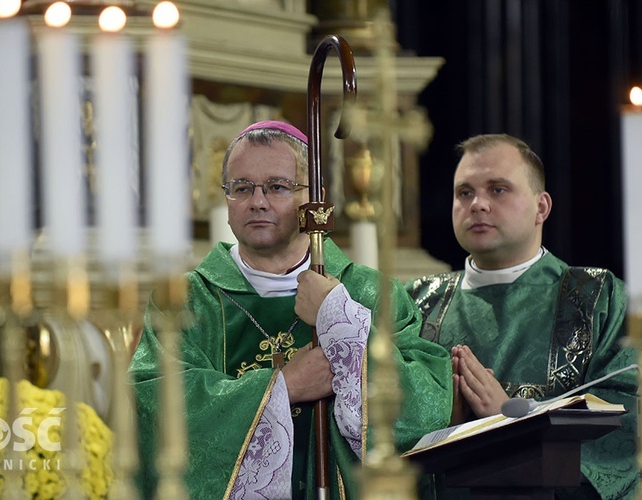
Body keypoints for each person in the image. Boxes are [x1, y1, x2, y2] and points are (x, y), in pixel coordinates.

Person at [129, 120, 453, 499]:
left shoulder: (370, 292)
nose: (257, 201)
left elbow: (426, 408)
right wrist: (283, 386)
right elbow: (152, 406)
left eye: (278, 187)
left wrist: (338, 318)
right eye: (241, 188)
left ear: (314, 200)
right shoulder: (184, 299)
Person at [406, 133, 641, 499]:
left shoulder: (596, 298)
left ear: (541, 207)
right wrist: (438, 417)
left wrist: (510, 419)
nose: (478, 204)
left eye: (498, 190)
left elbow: (632, 421)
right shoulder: (416, 303)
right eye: (464, 192)